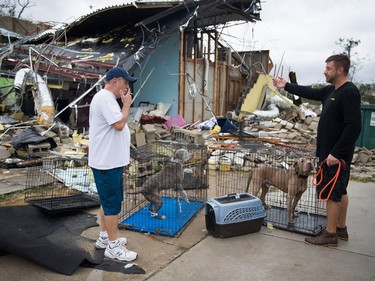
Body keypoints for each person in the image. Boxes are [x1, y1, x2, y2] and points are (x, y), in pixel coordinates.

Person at [272, 54, 362, 247]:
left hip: (335, 157)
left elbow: (354, 126)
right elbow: (309, 92)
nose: (324, 71)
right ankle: (340, 228)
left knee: (331, 194)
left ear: (340, 70)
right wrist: (285, 85)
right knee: (341, 191)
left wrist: (336, 154)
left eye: (328, 68)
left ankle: (330, 234)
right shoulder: (331, 90)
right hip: (330, 154)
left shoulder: (349, 92)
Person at [89, 67, 137, 261]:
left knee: (107, 201)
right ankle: (113, 246)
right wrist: (126, 105)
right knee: (112, 204)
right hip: (106, 163)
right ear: (115, 81)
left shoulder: (106, 99)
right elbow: (119, 125)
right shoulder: (105, 98)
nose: (126, 88)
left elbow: (117, 125)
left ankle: (103, 237)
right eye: (125, 84)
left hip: (109, 161)